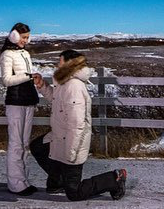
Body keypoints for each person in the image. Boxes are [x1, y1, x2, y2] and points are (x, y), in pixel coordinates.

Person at [31, 50, 127, 201]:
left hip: (72, 142)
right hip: (59, 136)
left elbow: (77, 125)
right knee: (38, 147)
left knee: (74, 193)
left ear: (69, 64)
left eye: (60, 61)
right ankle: (58, 181)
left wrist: (72, 152)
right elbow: (56, 100)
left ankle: (114, 178)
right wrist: (42, 85)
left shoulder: (73, 87)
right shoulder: (65, 83)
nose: (57, 64)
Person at [0, 22, 39, 196]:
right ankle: (15, 184)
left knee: (24, 143)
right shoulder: (7, 54)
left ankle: (23, 181)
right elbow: (6, 80)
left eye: (28, 37)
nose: (26, 40)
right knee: (16, 143)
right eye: (23, 37)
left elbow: (24, 76)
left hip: (28, 99)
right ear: (14, 36)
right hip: (15, 102)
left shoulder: (25, 53)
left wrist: (32, 78)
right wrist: (27, 76)